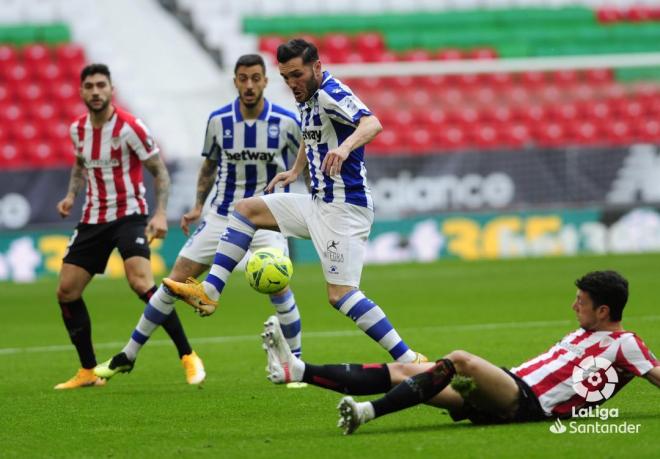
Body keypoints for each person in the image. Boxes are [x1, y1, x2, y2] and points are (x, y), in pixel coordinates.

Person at [163, 39, 424, 363]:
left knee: (341, 296)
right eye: (286, 77)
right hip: (317, 202)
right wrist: (295, 169)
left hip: (344, 208)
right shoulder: (307, 96)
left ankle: (407, 358)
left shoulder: (330, 93)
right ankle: (210, 291)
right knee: (246, 210)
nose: (291, 83)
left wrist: (344, 148)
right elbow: (310, 133)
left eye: (297, 75)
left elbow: (372, 123)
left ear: (316, 67)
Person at [93, 54, 305, 381]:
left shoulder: (287, 122)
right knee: (175, 282)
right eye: (243, 78)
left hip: (266, 217)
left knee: (278, 284)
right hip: (222, 215)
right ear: (235, 81)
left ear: (265, 81)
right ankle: (128, 354)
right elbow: (209, 167)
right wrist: (196, 206)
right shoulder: (219, 120)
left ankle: (296, 366)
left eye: (255, 78)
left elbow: (309, 153)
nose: (249, 85)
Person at [262, 270, 660, 435]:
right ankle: (297, 370)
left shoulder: (624, 344)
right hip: (504, 388)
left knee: (461, 359)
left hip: (527, 401)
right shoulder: (584, 333)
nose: (575, 306)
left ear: (604, 310)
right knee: (406, 369)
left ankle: (368, 412)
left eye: (581, 301)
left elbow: (655, 374)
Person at [54, 64, 202, 389]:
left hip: (129, 214)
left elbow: (159, 171)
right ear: (81, 91)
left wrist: (160, 213)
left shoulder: (130, 127)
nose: (95, 91)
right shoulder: (78, 130)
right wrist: (69, 196)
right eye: (89, 86)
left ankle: (188, 355)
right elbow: (80, 165)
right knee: (66, 291)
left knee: (140, 283)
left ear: (111, 90)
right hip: (93, 218)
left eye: (101, 85)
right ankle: (88, 371)